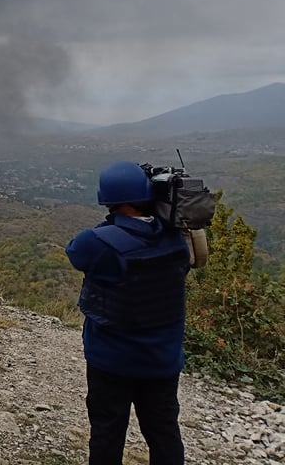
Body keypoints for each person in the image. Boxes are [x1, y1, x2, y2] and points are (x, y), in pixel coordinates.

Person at [66, 161, 191, 465]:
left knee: (107, 432)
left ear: (109, 201)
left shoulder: (97, 242)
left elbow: (75, 253)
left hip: (111, 361)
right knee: (163, 433)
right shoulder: (176, 239)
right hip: (162, 361)